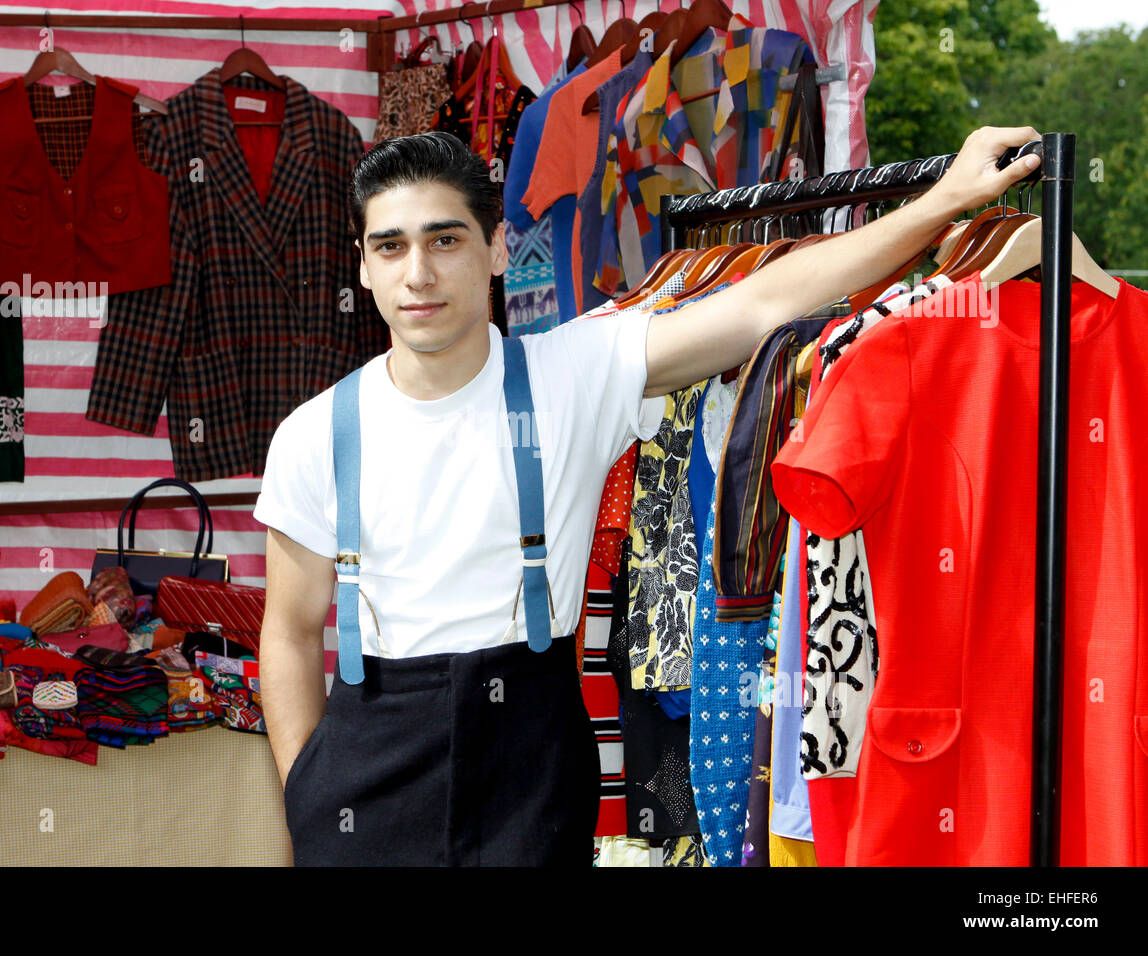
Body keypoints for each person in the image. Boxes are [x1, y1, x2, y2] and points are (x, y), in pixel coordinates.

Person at [253, 125, 1042, 867]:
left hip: (530, 769)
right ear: (362, 264)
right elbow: (289, 632)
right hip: (368, 776)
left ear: (496, 250)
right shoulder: (316, 433)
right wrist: (308, 799)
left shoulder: (572, 374)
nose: (417, 273)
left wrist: (943, 199)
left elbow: (766, 302)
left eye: (444, 239)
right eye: (390, 247)